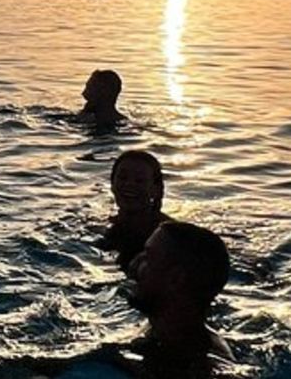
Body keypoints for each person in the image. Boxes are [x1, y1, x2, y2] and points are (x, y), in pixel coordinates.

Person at [129, 221, 233, 363]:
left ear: (176, 279)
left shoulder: (193, 368)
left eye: (148, 258)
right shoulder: (165, 333)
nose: (134, 264)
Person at [99, 150, 171, 271]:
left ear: (156, 189)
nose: (129, 184)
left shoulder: (166, 236)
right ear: (112, 184)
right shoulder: (107, 226)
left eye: (140, 180)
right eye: (122, 178)